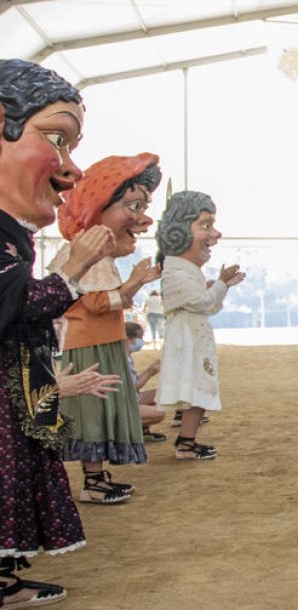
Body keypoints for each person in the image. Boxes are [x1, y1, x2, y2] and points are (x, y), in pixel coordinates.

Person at [0, 58, 124, 607]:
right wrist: (72, 269)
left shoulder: (12, 238)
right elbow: (12, 307)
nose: (71, 171)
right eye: (57, 139)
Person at [48, 153, 162, 502]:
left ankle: (96, 478)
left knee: (99, 410)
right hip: (88, 346)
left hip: (100, 342)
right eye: (133, 206)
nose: (143, 219)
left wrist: (135, 283)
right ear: (98, 205)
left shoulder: (103, 257)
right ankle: (93, 481)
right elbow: (97, 303)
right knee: (92, 412)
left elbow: (108, 300)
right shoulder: (87, 252)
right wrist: (135, 282)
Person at [155, 191, 245, 461]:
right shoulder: (176, 271)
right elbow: (202, 302)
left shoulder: (185, 271)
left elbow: (205, 304)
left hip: (194, 337)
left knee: (200, 387)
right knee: (196, 387)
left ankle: (187, 440)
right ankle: (186, 442)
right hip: (188, 340)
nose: (215, 234)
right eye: (206, 225)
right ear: (178, 231)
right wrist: (221, 284)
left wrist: (218, 286)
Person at [123, 321, 166, 442]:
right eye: (139, 337)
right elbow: (132, 387)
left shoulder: (127, 356)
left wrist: (150, 370)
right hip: (125, 402)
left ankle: (142, 430)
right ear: (127, 339)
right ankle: (128, 431)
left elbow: (134, 382)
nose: (141, 341)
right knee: (159, 413)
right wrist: (150, 372)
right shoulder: (122, 359)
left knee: (160, 394)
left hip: (130, 398)